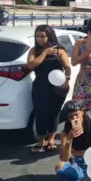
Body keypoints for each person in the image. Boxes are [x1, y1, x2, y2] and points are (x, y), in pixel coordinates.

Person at [27, 25, 71, 153]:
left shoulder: (59, 50)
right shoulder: (34, 51)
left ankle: (51, 140)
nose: (40, 39)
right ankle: (41, 141)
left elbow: (67, 67)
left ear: (49, 36)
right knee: (40, 113)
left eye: (43, 36)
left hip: (58, 87)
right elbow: (30, 66)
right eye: (38, 36)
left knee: (54, 113)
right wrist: (45, 53)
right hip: (40, 86)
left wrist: (67, 78)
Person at [55, 101, 91, 181]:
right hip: (75, 163)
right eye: (71, 117)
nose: (74, 118)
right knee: (59, 167)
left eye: (76, 114)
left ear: (82, 112)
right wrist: (69, 139)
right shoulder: (65, 133)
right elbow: (64, 158)